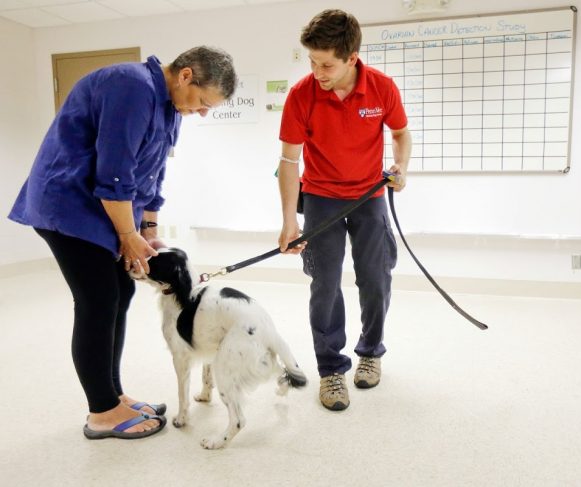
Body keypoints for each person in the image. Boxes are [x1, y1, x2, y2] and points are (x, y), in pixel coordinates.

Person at [8, 46, 237, 439]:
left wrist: (147, 230)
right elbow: (114, 173)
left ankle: (113, 395)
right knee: (98, 300)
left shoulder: (169, 107)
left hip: (103, 211)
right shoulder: (130, 87)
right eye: (202, 103)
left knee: (120, 294)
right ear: (185, 76)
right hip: (69, 207)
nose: (200, 113)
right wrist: (127, 236)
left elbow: (152, 172)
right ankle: (101, 412)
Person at [277, 9, 411, 411]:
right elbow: (288, 162)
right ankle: (331, 369)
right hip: (319, 197)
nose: (317, 71)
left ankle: (370, 352)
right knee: (325, 283)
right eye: (312, 62)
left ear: (352, 57)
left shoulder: (382, 88)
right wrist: (288, 221)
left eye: (326, 64)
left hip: (369, 196)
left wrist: (401, 168)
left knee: (375, 278)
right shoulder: (301, 95)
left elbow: (401, 134)